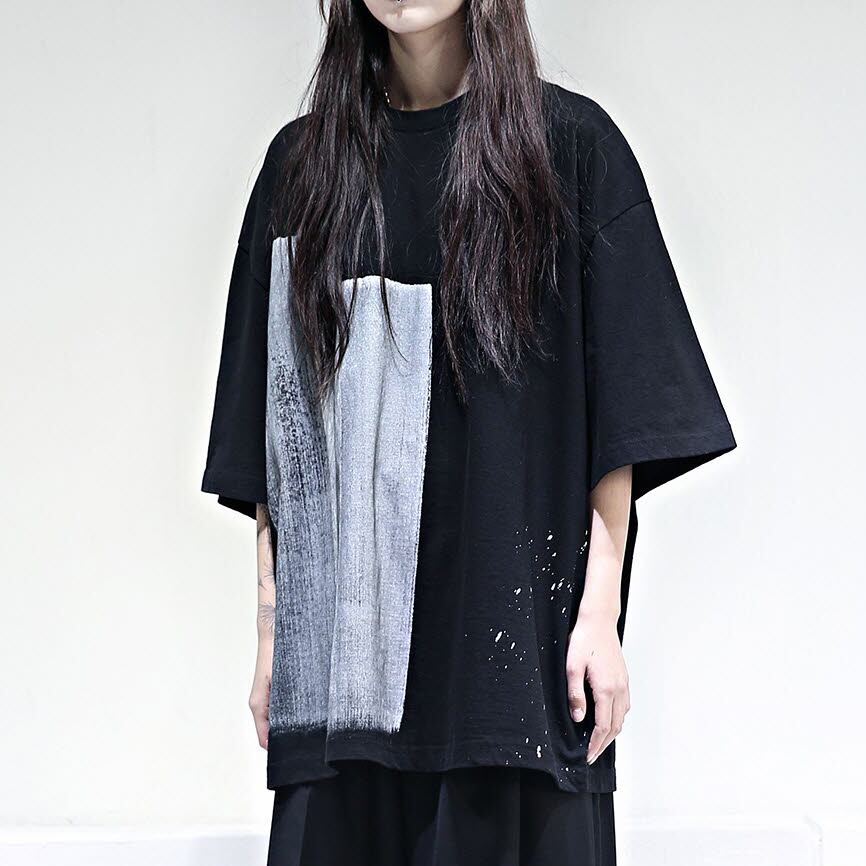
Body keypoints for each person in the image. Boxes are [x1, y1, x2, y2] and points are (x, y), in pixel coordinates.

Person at [201, 1, 737, 863]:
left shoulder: (569, 149)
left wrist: (600, 619)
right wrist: (273, 638)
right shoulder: (300, 171)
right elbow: (274, 435)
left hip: (516, 685)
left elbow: (625, 420)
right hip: (342, 696)